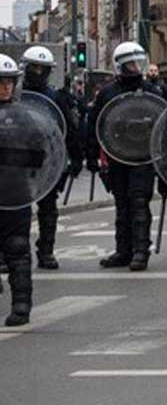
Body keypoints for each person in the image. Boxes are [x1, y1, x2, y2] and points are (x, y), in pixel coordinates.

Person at [85, 42, 164, 271]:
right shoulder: (108, 93)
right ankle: (123, 250)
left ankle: (141, 251)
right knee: (122, 204)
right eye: (131, 63)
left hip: (143, 156)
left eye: (139, 62)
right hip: (118, 155)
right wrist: (92, 157)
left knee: (139, 202)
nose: (136, 67)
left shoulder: (152, 91)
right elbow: (95, 125)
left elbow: (163, 123)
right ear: (120, 66)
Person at [20, 46, 81, 270]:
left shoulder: (56, 97)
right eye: (33, 67)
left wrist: (76, 158)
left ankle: (46, 251)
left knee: (48, 210)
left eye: (42, 68)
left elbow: (69, 129)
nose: (37, 72)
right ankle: (13, 253)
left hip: (48, 162)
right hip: (20, 162)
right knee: (17, 211)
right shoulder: (15, 95)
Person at [0, 55, 34, 325]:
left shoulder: (24, 116)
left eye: (8, 82)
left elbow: (40, 155)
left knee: (18, 247)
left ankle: (21, 305)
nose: (4, 88)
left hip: (16, 192)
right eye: (0, 82)